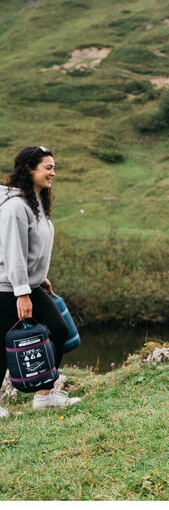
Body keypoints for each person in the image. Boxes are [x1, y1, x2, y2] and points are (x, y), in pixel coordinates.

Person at [0, 146, 80, 415]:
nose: (53, 173)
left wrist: (39, 277)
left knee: (57, 330)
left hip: (27, 284)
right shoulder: (15, 207)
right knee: (2, 345)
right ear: (29, 170)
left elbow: (30, 249)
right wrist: (22, 292)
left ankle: (44, 395)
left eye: (53, 167)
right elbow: (13, 252)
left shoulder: (34, 202)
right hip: (8, 288)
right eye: (48, 167)